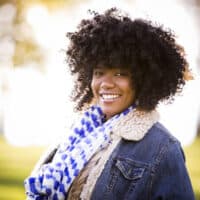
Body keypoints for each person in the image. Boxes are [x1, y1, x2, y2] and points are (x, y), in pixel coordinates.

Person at [24, 7, 195, 200]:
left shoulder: (163, 147)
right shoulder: (77, 133)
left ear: (143, 80)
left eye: (120, 74)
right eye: (99, 73)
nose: (106, 83)